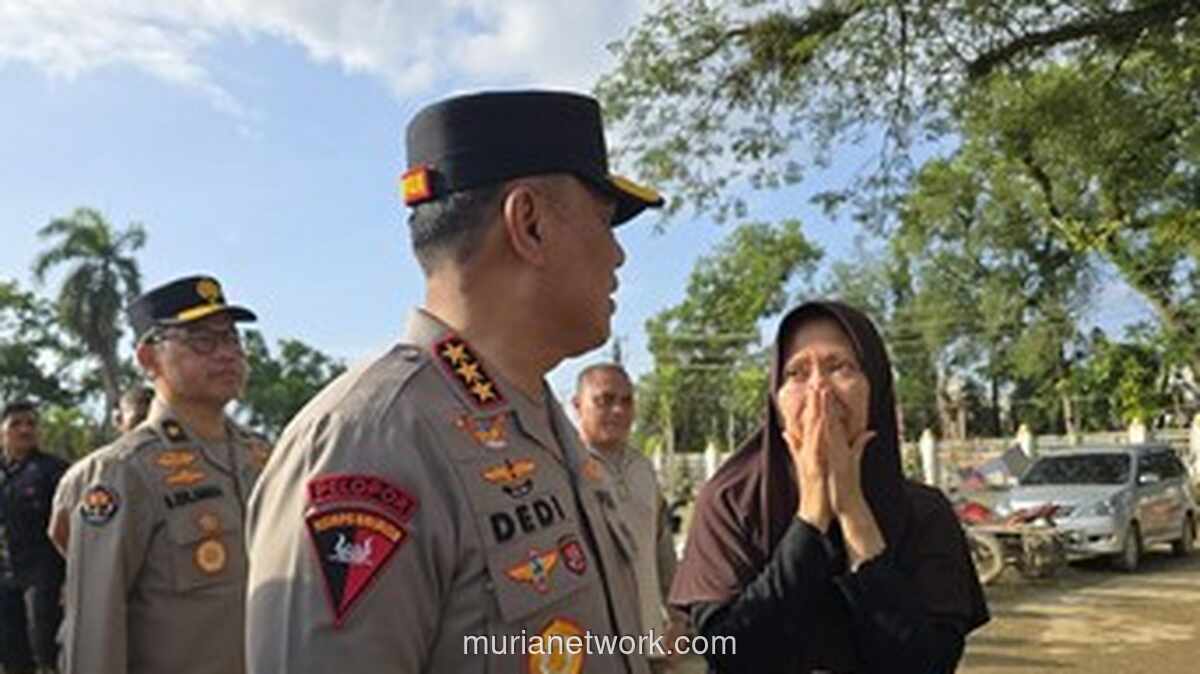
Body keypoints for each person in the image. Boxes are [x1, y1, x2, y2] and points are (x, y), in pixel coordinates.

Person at [245, 90, 665, 674]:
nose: (618, 254)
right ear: (530, 224)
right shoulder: (367, 440)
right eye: (603, 220)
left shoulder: (543, 426)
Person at [669, 300, 989, 674]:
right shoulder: (730, 502)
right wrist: (812, 514)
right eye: (797, 373)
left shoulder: (925, 512)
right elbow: (731, 652)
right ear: (776, 398)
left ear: (877, 388)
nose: (819, 388)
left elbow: (929, 663)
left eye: (839, 367)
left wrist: (854, 512)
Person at [59, 275, 271, 674]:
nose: (226, 353)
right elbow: (95, 630)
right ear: (148, 358)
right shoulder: (123, 471)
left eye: (231, 338)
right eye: (202, 340)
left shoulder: (262, 456)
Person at [573, 363, 688, 673]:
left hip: (651, 641)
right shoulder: (563, 470)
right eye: (604, 400)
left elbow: (661, 546)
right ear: (576, 405)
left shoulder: (643, 468)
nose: (618, 410)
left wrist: (677, 618)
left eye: (627, 401)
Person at [0, 401, 68, 674]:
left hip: (43, 574)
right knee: (11, 651)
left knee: (45, 648)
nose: (25, 430)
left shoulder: (55, 471)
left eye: (31, 423)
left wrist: (69, 579)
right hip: (5, 574)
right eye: (16, 424)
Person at [48, 386, 155, 556]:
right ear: (118, 420)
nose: (149, 429)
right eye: (140, 419)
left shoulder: (192, 465)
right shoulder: (87, 472)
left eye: (156, 421)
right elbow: (60, 531)